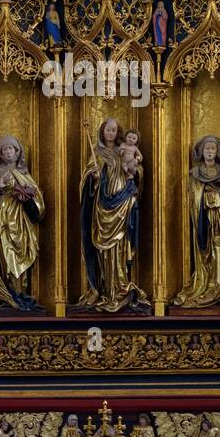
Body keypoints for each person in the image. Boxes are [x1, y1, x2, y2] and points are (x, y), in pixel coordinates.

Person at [78, 118, 149, 313]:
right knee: (104, 251)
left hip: (123, 204)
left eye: (114, 130)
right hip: (103, 208)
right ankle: (106, 290)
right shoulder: (97, 153)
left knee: (120, 248)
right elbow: (86, 180)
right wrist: (93, 177)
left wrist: (135, 171)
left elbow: (138, 170)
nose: (110, 133)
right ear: (102, 132)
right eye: (107, 130)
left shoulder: (123, 150)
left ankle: (121, 289)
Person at [175, 136, 220, 308]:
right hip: (207, 220)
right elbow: (194, 198)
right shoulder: (195, 173)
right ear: (201, 152)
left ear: (217, 153)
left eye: (212, 149)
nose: (209, 152)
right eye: (207, 149)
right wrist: (215, 195)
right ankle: (212, 286)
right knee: (212, 251)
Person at [0, 136, 45, 311]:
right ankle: (6, 291)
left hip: (20, 219)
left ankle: (20, 291)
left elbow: (38, 200)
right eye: (4, 150)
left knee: (22, 252)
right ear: (0, 154)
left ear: (18, 152)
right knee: (5, 255)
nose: (8, 152)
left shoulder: (24, 174)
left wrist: (28, 198)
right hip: (2, 220)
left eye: (11, 149)